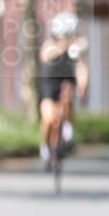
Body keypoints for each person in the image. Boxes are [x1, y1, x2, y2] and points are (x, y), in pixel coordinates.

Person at [38, 11, 88, 168]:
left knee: (68, 100)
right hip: (49, 83)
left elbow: (82, 68)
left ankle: (68, 129)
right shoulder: (50, 45)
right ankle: (45, 146)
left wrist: (82, 86)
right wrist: (64, 46)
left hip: (66, 80)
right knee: (48, 118)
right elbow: (46, 56)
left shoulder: (78, 48)